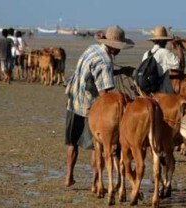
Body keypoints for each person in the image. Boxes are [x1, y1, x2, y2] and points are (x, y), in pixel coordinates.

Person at [64, 25, 134, 189]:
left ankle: (68, 177)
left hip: (73, 100)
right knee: (97, 146)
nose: (120, 51)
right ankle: (96, 182)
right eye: (119, 48)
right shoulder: (106, 61)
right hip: (90, 107)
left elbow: (94, 73)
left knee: (72, 142)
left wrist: (120, 71)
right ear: (114, 46)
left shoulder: (93, 49)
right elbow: (105, 93)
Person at [142, 25, 185, 94]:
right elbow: (181, 66)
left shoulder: (146, 54)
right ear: (164, 41)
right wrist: (178, 46)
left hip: (146, 89)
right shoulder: (165, 52)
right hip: (159, 89)